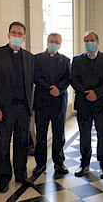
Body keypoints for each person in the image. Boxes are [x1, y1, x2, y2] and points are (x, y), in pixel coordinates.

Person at [0, 22, 35, 193]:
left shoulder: (30, 57)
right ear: (8, 35)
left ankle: (21, 175)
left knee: (21, 144)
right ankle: (4, 178)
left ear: (24, 37)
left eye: (20, 33)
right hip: (4, 110)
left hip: (23, 109)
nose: (17, 36)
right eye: (14, 33)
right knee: (3, 145)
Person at [70, 31, 103, 179]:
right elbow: (73, 80)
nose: (89, 43)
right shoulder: (77, 60)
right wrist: (85, 92)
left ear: (97, 42)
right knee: (84, 135)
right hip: (83, 103)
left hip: (102, 103)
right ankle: (84, 163)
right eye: (86, 41)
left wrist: (96, 93)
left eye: (92, 40)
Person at [32, 33, 70, 175]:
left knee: (59, 133)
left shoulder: (66, 60)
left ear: (60, 44)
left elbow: (68, 78)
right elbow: (35, 77)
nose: (53, 44)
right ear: (47, 42)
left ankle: (59, 163)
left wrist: (59, 89)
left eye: (56, 42)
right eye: (51, 41)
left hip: (59, 102)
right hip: (42, 101)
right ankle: (40, 164)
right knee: (41, 134)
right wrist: (50, 88)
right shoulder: (37, 59)